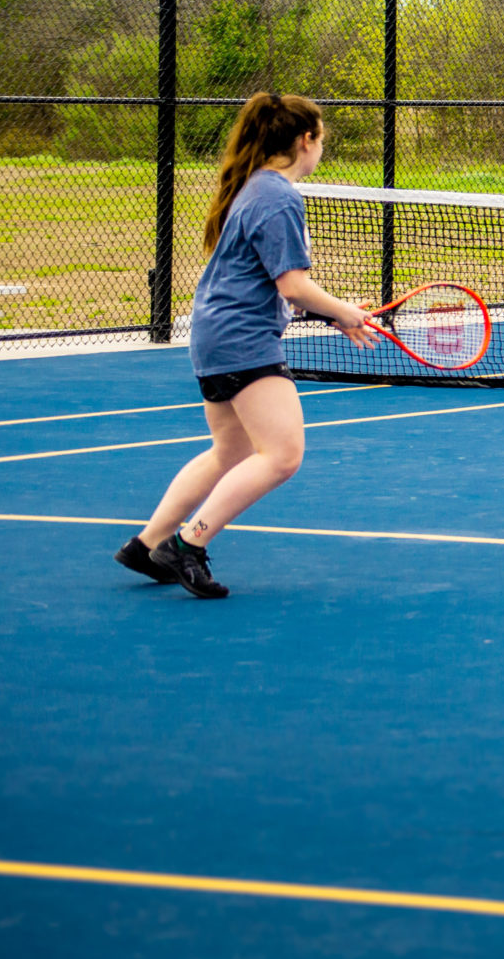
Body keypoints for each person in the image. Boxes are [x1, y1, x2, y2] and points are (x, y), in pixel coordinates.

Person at [117, 92, 373, 599]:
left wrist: (334, 312)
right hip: (241, 341)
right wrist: (343, 311)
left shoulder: (255, 189)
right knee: (282, 455)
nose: (322, 147)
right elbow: (292, 285)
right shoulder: (277, 196)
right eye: (322, 138)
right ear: (306, 141)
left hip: (215, 335)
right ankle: (188, 544)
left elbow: (273, 284)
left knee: (230, 449)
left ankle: (148, 545)